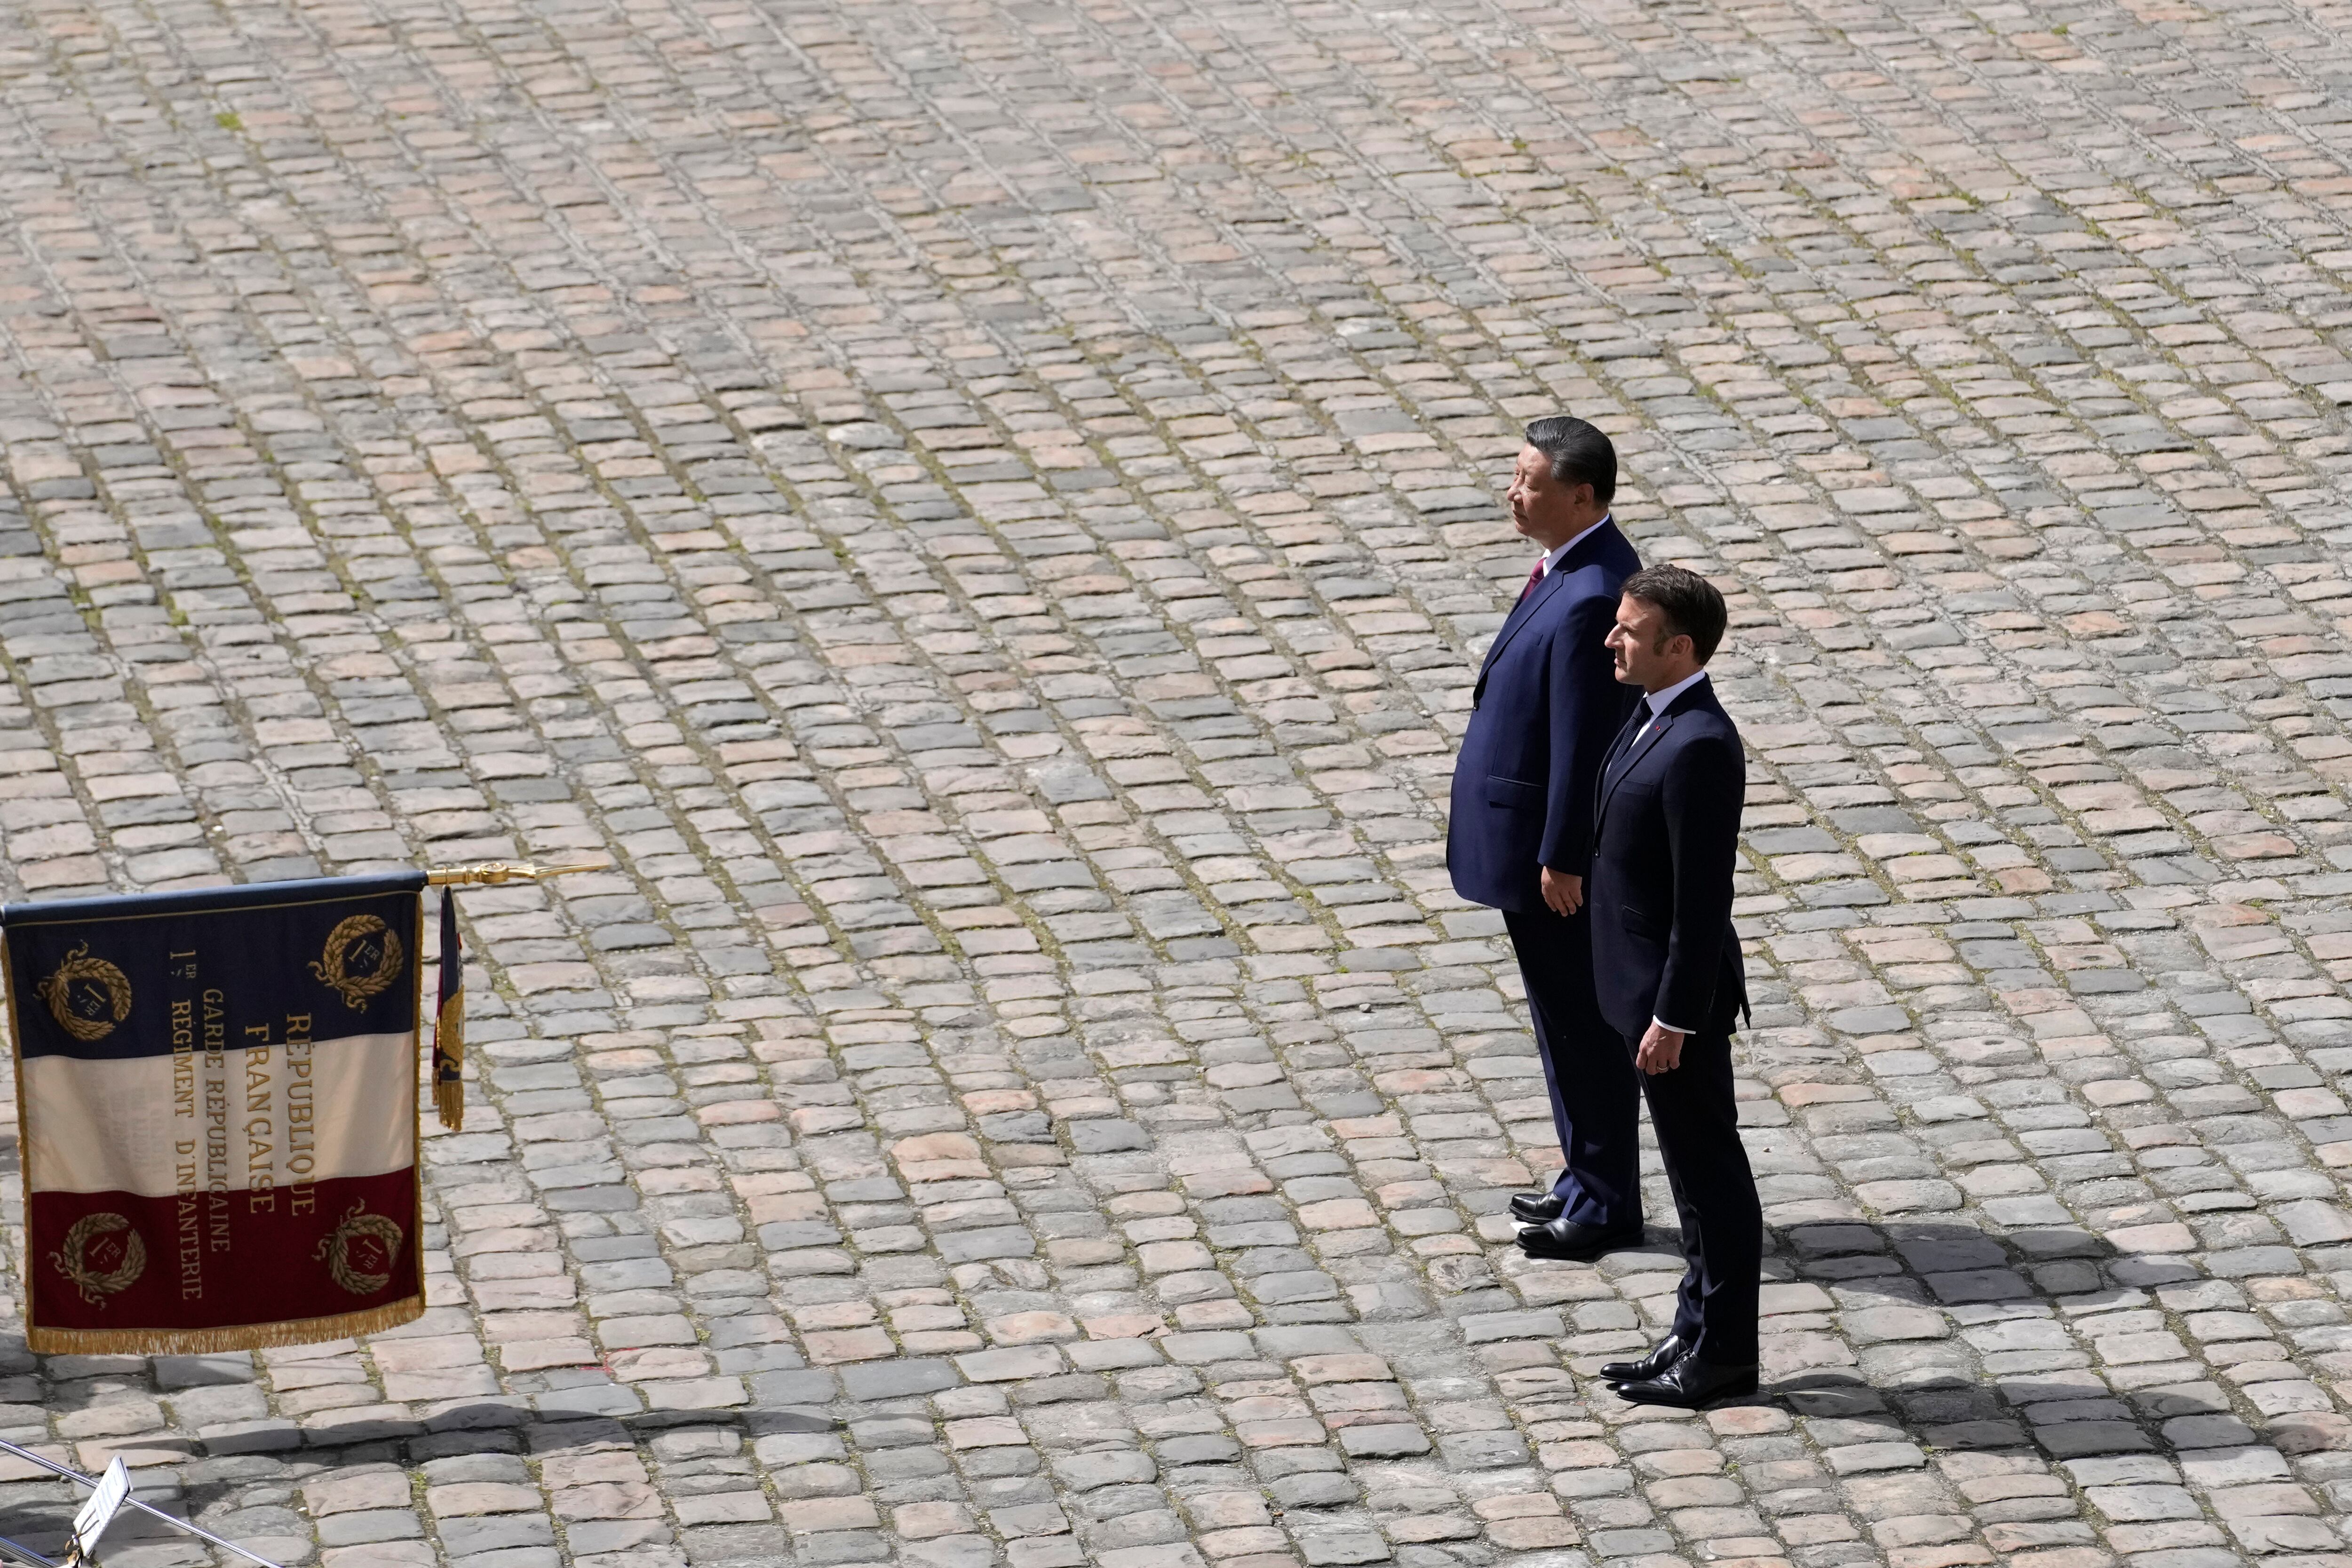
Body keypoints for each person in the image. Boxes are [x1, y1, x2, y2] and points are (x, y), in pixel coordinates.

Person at [1446, 416, 1645, 1262]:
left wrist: (1563, 854)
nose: (1513, 492)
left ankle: (1605, 1199)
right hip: (1532, 849)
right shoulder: (1567, 568)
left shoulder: (1598, 589)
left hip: (1552, 862)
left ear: (1582, 496)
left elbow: (1585, 739)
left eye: (1529, 480)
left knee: (1582, 1025)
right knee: (1557, 1020)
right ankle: (1582, 1173)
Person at [1586, 564, 1760, 1408]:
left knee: (1709, 1176)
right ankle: (1694, 1327)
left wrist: (1674, 1017)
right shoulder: (1652, 716)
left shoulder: (1698, 746)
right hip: (1639, 991)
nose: (1612, 639)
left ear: (1679, 647)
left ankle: (1724, 1351)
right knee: (1688, 1177)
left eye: (1628, 629)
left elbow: (1703, 903)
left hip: (1673, 1007)